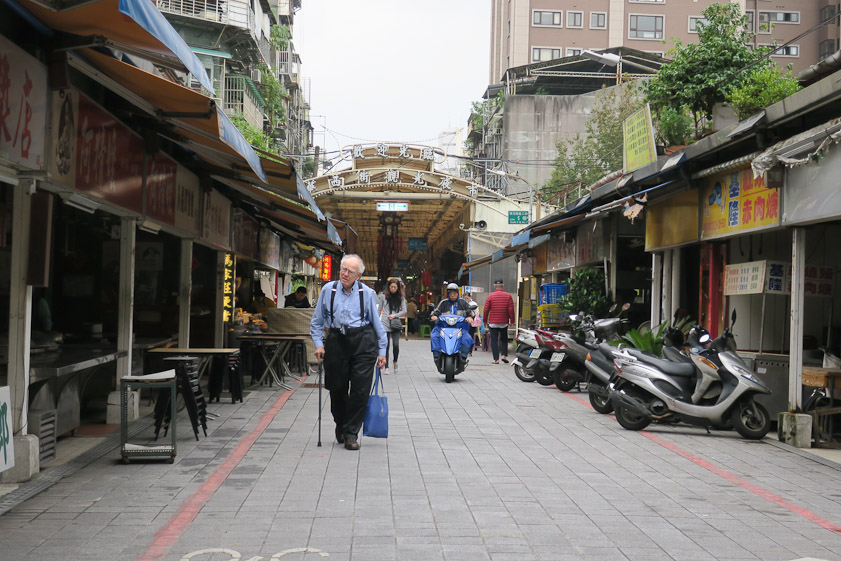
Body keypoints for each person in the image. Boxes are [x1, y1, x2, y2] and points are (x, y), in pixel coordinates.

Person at [310, 254, 387, 451]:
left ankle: (352, 433)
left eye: (349, 271)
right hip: (337, 341)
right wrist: (319, 344)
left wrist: (382, 351)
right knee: (337, 388)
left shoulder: (367, 293)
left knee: (360, 390)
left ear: (358, 275)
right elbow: (317, 321)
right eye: (343, 269)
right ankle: (341, 423)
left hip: (363, 342)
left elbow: (377, 325)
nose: (344, 274)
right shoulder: (329, 290)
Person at [430, 283, 475, 369]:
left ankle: (463, 357)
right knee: (434, 336)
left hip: (460, 328)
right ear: (448, 294)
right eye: (451, 293)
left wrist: (470, 317)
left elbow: (471, 312)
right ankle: (436, 356)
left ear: (458, 293)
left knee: (467, 338)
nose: (453, 295)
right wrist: (434, 316)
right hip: (442, 327)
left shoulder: (463, 302)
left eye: (454, 293)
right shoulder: (443, 303)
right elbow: (435, 312)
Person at [377, 278, 407, 374]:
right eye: (391, 287)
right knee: (386, 345)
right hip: (385, 322)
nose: (393, 289)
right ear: (388, 287)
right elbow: (379, 309)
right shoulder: (383, 296)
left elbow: (404, 310)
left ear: (398, 288)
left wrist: (395, 315)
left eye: (395, 287)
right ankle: (386, 367)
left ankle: (395, 361)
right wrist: (377, 320)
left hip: (395, 323)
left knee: (395, 344)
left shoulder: (401, 298)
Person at [483, 278, 515, 364]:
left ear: (494, 286)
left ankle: (496, 359)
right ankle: (504, 355)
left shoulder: (490, 296)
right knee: (504, 339)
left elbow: (486, 310)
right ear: (502, 285)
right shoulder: (508, 296)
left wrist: (484, 321)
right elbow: (511, 310)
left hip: (493, 322)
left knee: (494, 340)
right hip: (504, 322)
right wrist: (512, 321)